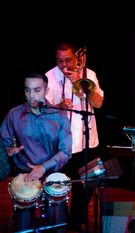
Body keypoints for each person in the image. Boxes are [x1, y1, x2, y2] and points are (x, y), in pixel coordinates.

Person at [0, 73, 72, 232]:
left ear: (46, 90)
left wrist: (43, 167)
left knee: (57, 224)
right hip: (24, 174)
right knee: (23, 227)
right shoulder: (14, 114)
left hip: (51, 172)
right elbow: (3, 144)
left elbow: (66, 151)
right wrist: (7, 152)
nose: (31, 95)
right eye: (27, 90)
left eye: (37, 90)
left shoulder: (59, 115)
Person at [45, 42, 104, 232]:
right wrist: (60, 106)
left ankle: (76, 221)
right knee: (58, 183)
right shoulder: (50, 77)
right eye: (60, 61)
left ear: (76, 59)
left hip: (87, 140)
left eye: (68, 60)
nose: (64, 66)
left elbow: (99, 103)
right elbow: (43, 111)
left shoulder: (89, 74)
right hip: (60, 144)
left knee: (87, 184)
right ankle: (61, 220)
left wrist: (80, 82)